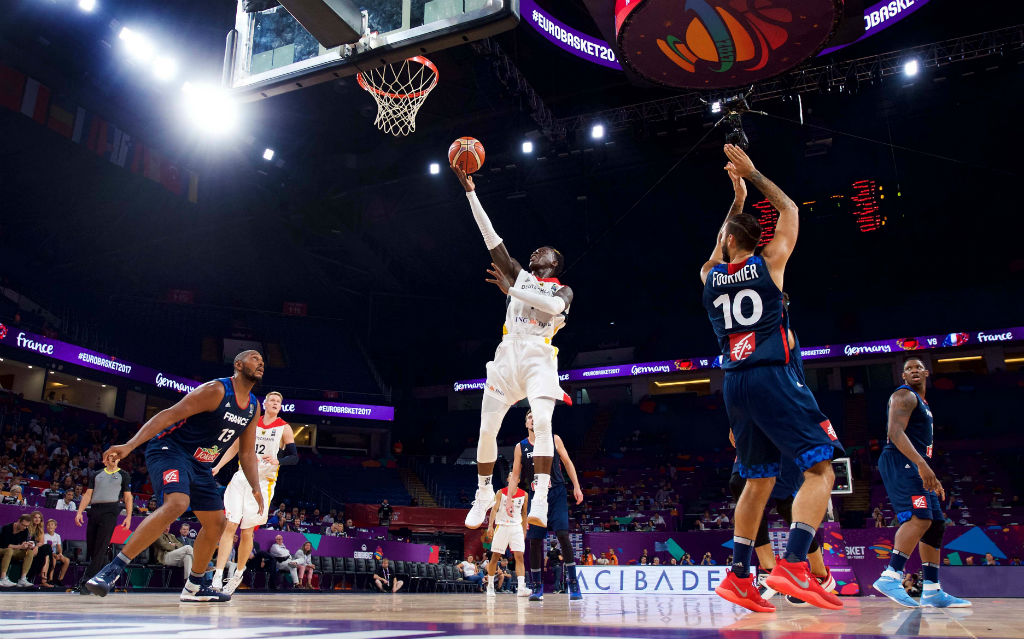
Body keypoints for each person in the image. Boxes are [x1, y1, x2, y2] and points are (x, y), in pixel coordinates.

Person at [701, 145, 844, 612]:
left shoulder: (708, 275)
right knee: (822, 467)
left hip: (734, 385)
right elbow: (789, 208)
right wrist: (753, 173)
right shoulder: (771, 262)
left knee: (757, 481)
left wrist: (736, 199)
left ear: (726, 241)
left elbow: (724, 239)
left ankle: (741, 575)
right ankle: (795, 565)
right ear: (756, 241)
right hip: (772, 377)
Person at [84, 351, 266, 602]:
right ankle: (111, 570)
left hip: (201, 465)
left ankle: (195, 586)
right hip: (171, 450)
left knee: (217, 524)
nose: (260, 363)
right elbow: (168, 415)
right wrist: (130, 445)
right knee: (178, 503)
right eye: (254, 358)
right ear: (238, 364)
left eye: (262, 361)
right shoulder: (216, 390)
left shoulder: (254, 406)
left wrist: (256, 487)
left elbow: (246, 452)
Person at [452, 165, 574, 532]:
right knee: (486, 430)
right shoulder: (519, 274)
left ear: (554, 264)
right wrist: (471, 192)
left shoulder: (562, 290)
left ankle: (539, 495)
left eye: (545, 251)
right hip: (508, 355)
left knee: (544, 423)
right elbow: (492, 239)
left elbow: (551, 308)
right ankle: (484, 492)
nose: (536, 251)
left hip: (538, 356)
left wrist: (511, 291)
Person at [873, 358, 970, 608]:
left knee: (936, 524)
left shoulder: (923, 403)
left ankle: (933, 590)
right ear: (902, 376)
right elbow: (894, 434)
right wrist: (922, 465)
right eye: (908, 369)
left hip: (915, 462)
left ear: (927, 372)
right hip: (900, 461)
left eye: (918, 367)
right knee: (920, 518)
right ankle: (891, 575)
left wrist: (930, 473)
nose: (914, 370)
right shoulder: (904, 396)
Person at [210, 390, 297, 594]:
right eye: (272, 400)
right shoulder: (251, 422)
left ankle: (238, 574)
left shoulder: (284, 428)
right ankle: (217, 575)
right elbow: (234, 447)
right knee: (230, 525)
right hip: (241, 477)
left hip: (263, 483)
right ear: (265, 404)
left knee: (247, 531)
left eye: (278, 401)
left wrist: (279, 460)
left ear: (280, 407)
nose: (275, 403)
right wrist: (218, 466)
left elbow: (294, 457)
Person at [511, 411, 585, 601]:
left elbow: (567, 462)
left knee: (562, 535)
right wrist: (510, 499)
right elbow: (516, 475)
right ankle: (536, 586)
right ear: (526, 423)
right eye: (529, 417)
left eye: (536, 415)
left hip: (557, 493)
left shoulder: (554, 439)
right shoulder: (520, 447)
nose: (533, 418)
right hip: (536, 496)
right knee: (534, 541)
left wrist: (576, 486)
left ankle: (573, 583)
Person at [74, 451, 133, 592]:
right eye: (110, 456)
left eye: (115, 456)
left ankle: (86, 582)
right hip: (94, 510)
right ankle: (107, 576)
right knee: (93, 548)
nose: (112, 458)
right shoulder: (96, 474)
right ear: (105, 459)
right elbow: (88, 494)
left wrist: (129, 516)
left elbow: (128, 497)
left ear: (118, 459)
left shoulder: (123, 475)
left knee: (101, 547)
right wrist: (79, 512)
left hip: (110, 511)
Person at [483, 473, 530, 598]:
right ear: (508, 479)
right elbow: (494, 510)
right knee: (495, 557)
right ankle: (491, 586)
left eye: (515, 476)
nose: (512, 477)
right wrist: (490, 526)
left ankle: (521, 588)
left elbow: (525, 514)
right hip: (502, 526)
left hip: (516, 527)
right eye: (510, 476)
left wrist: (524, 530)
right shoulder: (500, 492)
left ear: (518, 480)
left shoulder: (524, 495)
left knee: (519, 557)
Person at [0, 514, 37, 587]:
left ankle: (23, 579)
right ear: (18, 521)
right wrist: (20, 546)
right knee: (9, 550)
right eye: (23, 525)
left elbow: (23, 542)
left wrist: (26, 545)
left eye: (27, 526)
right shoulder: (7, 528)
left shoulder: (25, 530)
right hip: (2, 549)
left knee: (29, 552)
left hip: (14, 551)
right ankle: (2, 578)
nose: (25, 527)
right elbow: (5, 545)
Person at [42, 519, 70, 586]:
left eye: (52, 525)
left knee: (67, 560)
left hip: (55, 553)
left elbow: (59, 546)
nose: (50, 526)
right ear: (46, 527)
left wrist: (60, 554)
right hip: (47, 554)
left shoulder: (57, 536)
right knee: (53, 560)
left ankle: (60, 579)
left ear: (55, 526)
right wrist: (54, 555)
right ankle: (50, 579)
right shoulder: (44, 536)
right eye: (48, 525)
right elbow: (46, 548)